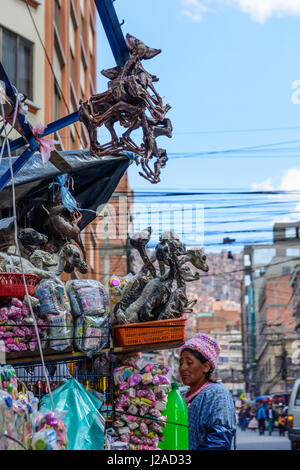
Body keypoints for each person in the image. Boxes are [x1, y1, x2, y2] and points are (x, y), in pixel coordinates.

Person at [179, 333, 236, 450]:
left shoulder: (217, 394)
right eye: (181, 363)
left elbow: (219, 440)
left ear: (206, 367)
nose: (182, 367)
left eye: (189, 363)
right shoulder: (182, 395)